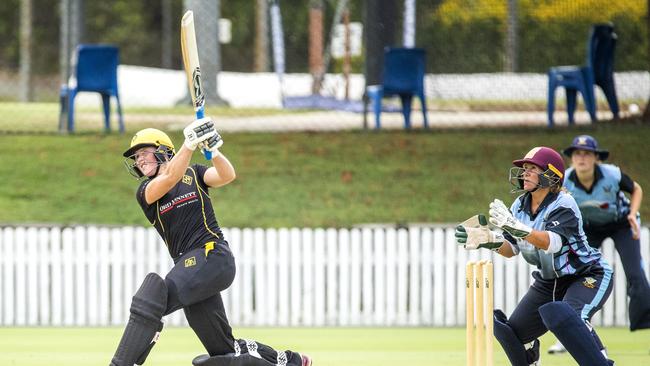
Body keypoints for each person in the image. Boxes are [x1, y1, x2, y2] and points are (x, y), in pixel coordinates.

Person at [112, 118, 312, 366]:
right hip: (191, 269)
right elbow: (170, 178)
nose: (139, 160)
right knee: (223, 353)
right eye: (136, 157)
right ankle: (290, 362)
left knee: (152, 297)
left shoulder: (194, 173)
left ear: (163, 151)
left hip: (211, 256)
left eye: (144, 153)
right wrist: (189, 144)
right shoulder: (146, 191)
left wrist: (213, 151)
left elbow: (227, 175)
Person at [455, 146, 615, 366]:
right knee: (511, 333)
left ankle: (601, 361)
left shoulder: (563, 204)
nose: (525, 173)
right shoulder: (519, 205)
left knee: (570, 315)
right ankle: (532, 358)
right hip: (549, 281)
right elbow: (511, 249)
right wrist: (486, 239)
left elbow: (552, 243)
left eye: (532, 168)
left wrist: (518, 228)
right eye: (525, 168)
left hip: (586, 275)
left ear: (551, 175)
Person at [547, 135, 650, 355]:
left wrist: (632, 214)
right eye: (577, 154)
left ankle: (645, 324)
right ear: (571, 158)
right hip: (589, 228)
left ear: (596, 158)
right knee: (575, 273)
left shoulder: (612, 174)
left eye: (586, 154)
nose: (581, 158)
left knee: (635, 275)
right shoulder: (564, 180)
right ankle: (573, 328)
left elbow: (637, 189)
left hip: (621, 223)